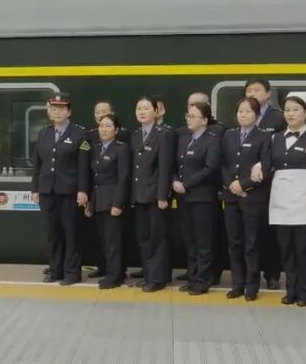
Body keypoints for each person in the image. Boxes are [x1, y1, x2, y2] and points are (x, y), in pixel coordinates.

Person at [31, 93, 89, 286]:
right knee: (52, 233)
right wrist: (35, 189)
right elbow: (37, 164)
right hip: (47, 191)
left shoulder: (79, 134)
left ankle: (72, 272)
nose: (57, 111)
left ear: (69, 111)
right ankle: (55, 270)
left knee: (71, 233)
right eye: (54, 108)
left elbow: (83, 166)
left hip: (69, 192)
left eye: (61, 108)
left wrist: (83, 190)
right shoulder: (43, 133)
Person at [268, 92, 306, 306]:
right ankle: (291, 289)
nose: (290, 114)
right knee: (286, 247)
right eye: (287, 110)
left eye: (295, 110)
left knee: (304, 248)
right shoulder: (276, 137)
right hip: (280, 195)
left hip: (304, 194)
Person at [220, 97, 272, 301]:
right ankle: (237, 284)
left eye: (248, 112)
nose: (243, 115)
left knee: (251, 244)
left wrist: (244, 184)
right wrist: (230, 184)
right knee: (234, 242)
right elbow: (222, 163)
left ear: (257, 115)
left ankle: (252, 285)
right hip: (231, 196)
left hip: (253, 197)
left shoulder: (264, 137)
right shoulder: (229, 136)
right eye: (240, 112)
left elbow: (265, 168)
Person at [174, 102, 221, 295]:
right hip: (184, 198)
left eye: (193, 116)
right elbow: (176, 165)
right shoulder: (185, 139)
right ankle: (192, 277)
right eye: (188, 115)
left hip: (202, 198)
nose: (189, 119)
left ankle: (203, 280)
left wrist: (186, 184)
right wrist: (175, 180)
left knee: (203, 242)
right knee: (190, 241)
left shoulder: (212, 140)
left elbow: (209, 169)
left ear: (204, 120)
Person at [130, 96, 175, 292]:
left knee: (158, 237)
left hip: (156, 195)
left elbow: (165, 167)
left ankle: (158, 278)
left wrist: (163, 195)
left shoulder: (163, 134)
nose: (142, 111)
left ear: (156, 112)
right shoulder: (135, 135)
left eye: (146, 108)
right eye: (139, 108)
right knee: (144, 236)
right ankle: (149, 273)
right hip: (139, 194)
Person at [245, 78, 286, 290]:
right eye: (249, 90)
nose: (252, 93)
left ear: (268, 93)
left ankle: (272, 274)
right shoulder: (242, 115)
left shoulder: (278, 118)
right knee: (252, 234)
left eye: (257, 89)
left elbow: (281, 147)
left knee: (271, 231)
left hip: (269, 183)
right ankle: (250, 274)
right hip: (246, 185)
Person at [83, 113, 130, 289]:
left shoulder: (121, 148)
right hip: (98, 201)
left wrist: (118, 204)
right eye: (102, 126)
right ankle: (111, 271)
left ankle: (115, 276)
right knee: (104, 241)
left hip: (112, 201)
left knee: (113, 242)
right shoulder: (95, 147)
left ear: (116, 130)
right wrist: (90, 202)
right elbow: (93, 177)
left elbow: (123, 178)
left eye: (108, 126)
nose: (104, 129)